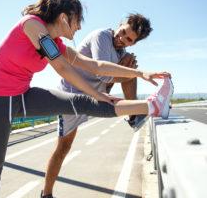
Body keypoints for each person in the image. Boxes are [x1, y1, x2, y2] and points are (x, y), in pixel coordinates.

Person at [0, 0, 172, 197]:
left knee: (84, 103)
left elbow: (95, 66)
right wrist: (96, 92)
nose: (79, 27)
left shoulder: (55, 43)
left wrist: (142, 74)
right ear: (63, 18)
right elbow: (61, 67)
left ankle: (153, 105)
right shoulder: (32, 25)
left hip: (23, 95)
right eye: (78, 21)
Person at [41, 13, 156, 197]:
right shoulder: (101, 36)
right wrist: (132, 73)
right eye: (123, 32)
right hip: (72, 94)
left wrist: (129, 71)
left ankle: (134, 117)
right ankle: (46, 194)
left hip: (93, 94)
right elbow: (102, 73)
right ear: (120, 24)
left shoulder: (122, 52)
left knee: (129, 66)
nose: (122, 39)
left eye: (129, 40)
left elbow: (109, 80)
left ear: (133, 43)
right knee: (63, 148)